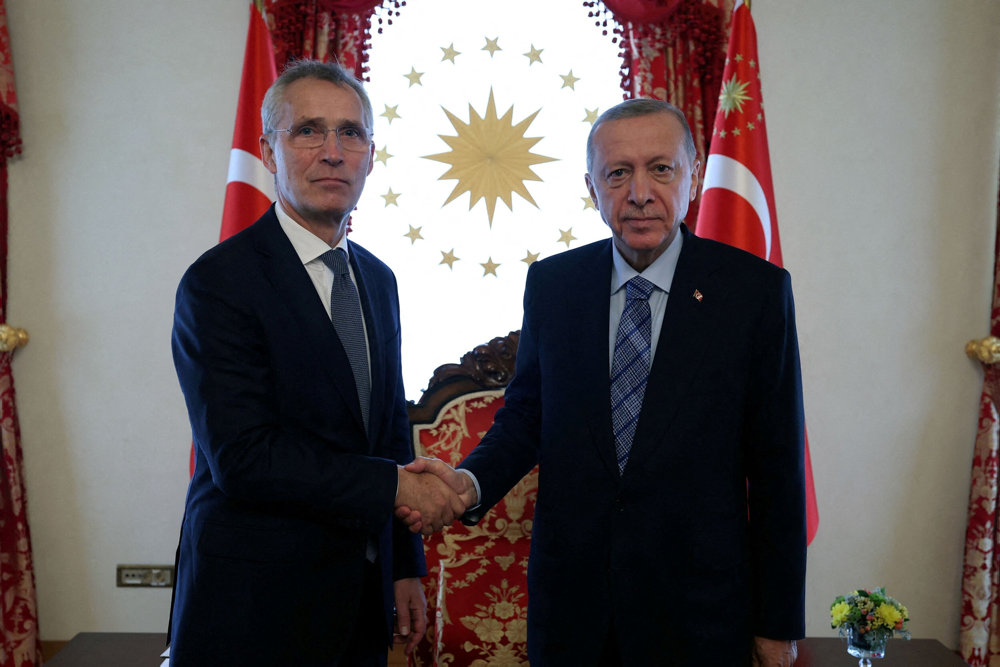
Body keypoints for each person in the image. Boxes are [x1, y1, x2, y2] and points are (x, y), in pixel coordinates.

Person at [401, 98, 806, 666]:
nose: (639, 192)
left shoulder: (754, 293)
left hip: (699, 615)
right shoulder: (555, 284)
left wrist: (778, 623)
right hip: (573, 613)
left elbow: (777, 469)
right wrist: (466, 484)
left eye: (660, 168)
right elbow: (526, 419)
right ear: (592, 186)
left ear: (694, 173)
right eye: (618, 173)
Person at [167, 60, 463, 666]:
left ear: (371, 157)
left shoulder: (377, 280)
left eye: (350, 133)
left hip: (359, 597)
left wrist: (405, 566)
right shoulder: (219, 283)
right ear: (269, 152)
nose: (333, 152)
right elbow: (244, 458)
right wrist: (396, 487)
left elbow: (384, 431)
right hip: (253, 603)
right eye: (308, 131)